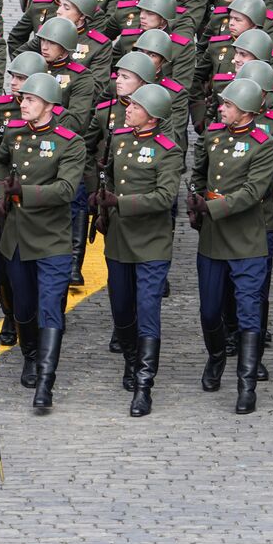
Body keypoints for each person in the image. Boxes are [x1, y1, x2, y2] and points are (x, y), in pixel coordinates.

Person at [0, 73, 85, 410]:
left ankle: (46, 379)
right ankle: (30, 356)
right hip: (16, 236)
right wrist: (1, 189)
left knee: (49, 309)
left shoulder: (69, 142)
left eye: (30, 99)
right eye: (23, 98)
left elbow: (66, 189)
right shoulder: (15, 133)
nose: (23, 104)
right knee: (23, 307)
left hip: (50, 239)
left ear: (48, 104)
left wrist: (24, 193)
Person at [189, 79, 273, 413]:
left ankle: (246, 385)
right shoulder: (213, 136)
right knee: (210, 310)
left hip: (246, 238)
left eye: (227, 105)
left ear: (245, 111)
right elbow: (199, 172)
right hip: (213, 238)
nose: (221, 109)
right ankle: (216, 357)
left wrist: (210, 208)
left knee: (248, 312)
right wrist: (195, 197)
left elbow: (254, 192)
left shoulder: (263, 144)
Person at [98, 84, 182, 416]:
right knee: (121, 308)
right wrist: (103, 203)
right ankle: (131, 362)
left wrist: (120, 201)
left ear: (152, 116)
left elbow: (165, 197)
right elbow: (111, 180)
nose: (127, 109)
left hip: (151, 242)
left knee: (147, 311)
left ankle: (144, 384)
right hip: (119, 238)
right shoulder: (119, 139)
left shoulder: (168, 150)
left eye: (135, 106)